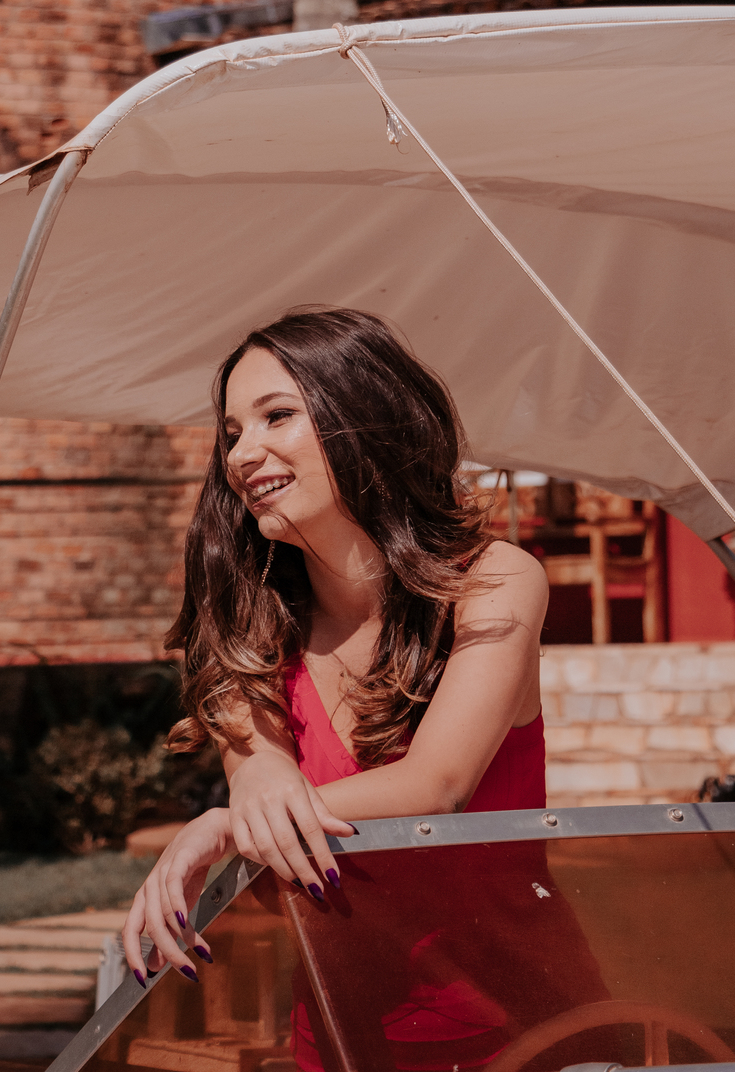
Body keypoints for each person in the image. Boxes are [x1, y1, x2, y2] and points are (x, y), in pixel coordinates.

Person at [122, 307, 549, 1013]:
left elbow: (438, 784)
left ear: (367, 420)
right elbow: (261, 781)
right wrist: (251, 788)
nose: (241, 454)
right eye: (232, 433)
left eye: (276, 416)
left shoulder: (494, 580)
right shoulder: (251, 629)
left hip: (519, 1023)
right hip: (340, 1027)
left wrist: (225, 826)